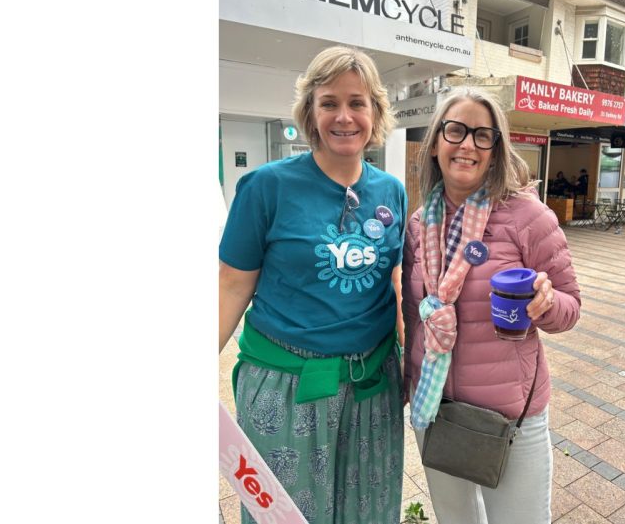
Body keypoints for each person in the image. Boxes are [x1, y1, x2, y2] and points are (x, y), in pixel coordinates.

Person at [219, 46, 407, 524]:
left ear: (375, 112)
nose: (344, 116)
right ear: (310, 111)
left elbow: (396, 279)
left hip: (373, 386)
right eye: (329, 103)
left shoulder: (391, 191)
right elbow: (232, 285)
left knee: (369, 513)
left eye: (357, 102)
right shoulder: (266, 187)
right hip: (288, 388)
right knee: (285, 516)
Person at [401, 87, 582, 524]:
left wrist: (545, 303)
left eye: (482, 135)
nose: (467, 145)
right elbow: (414, 318)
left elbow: (570, 305)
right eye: (456, 130)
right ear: (436, 143)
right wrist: (407, 388)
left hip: (510, 417)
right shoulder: (419, 224)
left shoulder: (527, 217)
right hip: (436, 411)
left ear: (496, 148)